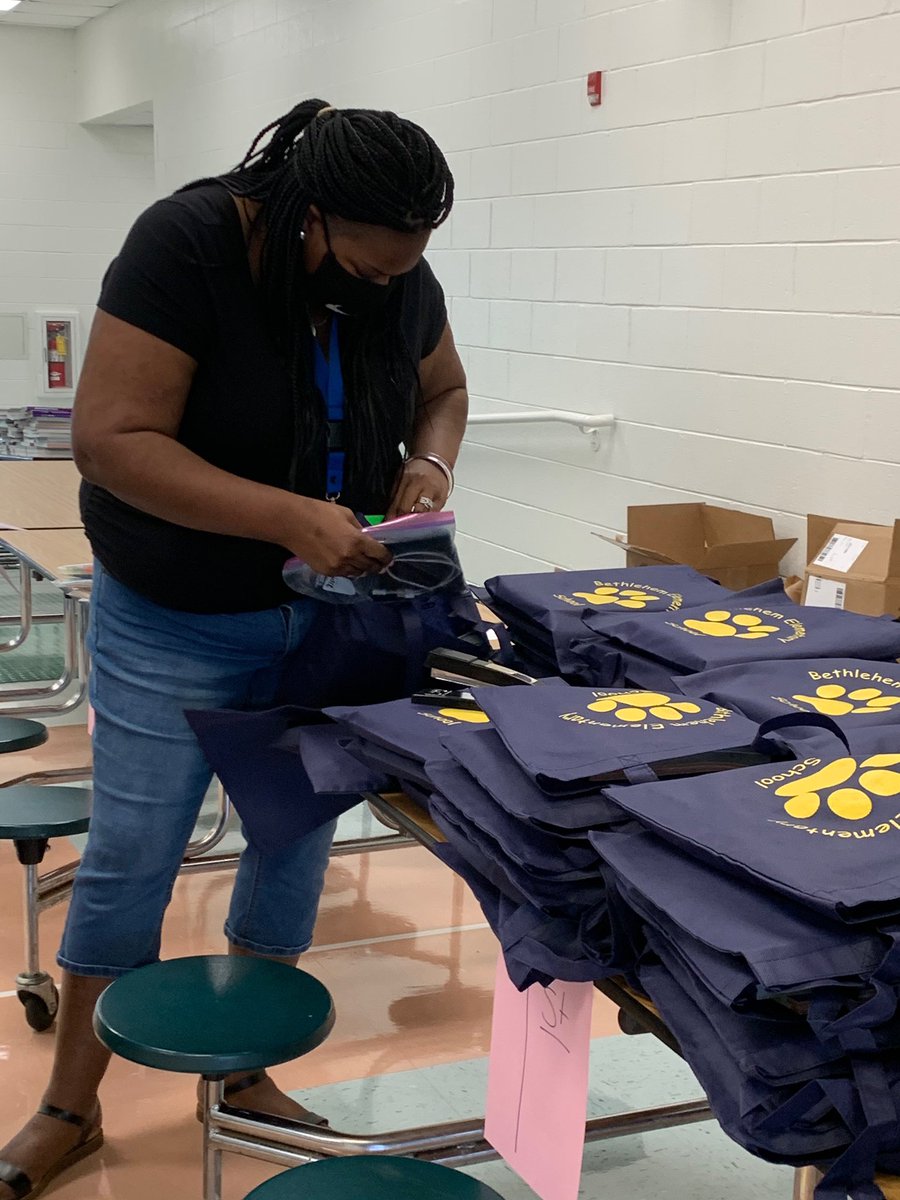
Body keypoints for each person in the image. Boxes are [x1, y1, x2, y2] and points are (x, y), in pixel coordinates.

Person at [0, 100, 467, 1199]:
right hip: (176, 615)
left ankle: (248, 1070)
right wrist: (285, 516)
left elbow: (442, 391)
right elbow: (112, 442)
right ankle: (71, 1104)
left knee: (292, 840)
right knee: (132, 857)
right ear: (309, 218)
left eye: (410, 269)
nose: (391, 286)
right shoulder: (191, 246)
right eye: (369, 262)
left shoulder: (399, 280)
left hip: (329, 622)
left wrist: (430, 469)